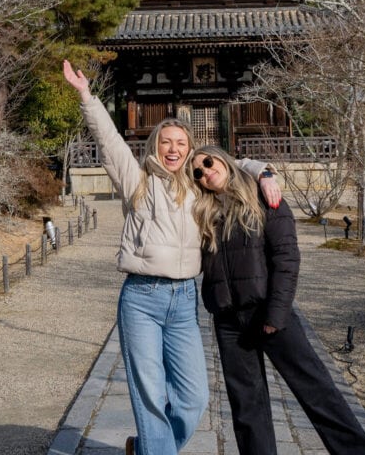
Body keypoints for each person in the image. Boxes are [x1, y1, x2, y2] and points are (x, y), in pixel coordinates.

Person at [62, 60, 280, 455]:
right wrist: (86, 97)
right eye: (167, 142)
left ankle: (144, 448)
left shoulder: (200, 190)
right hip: (141, 298)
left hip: (183, 301)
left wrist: (263, 169)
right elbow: (109, 141)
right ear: (156, 146)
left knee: (194, 398)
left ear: (190, 150)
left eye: (182, 143)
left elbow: (229, 166)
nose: (174, 149)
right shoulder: (137, 180)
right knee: (149, 398)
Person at [191, 144, 365, 455]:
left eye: (209, 161)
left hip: (267, 311)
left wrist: (277, 314)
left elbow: (287, 258)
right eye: (197, 172)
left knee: (316, 391)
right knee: (246, 407)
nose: (206, 172)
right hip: (228, 320)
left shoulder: (265, 197)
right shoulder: (204, 212)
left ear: (224, 159)